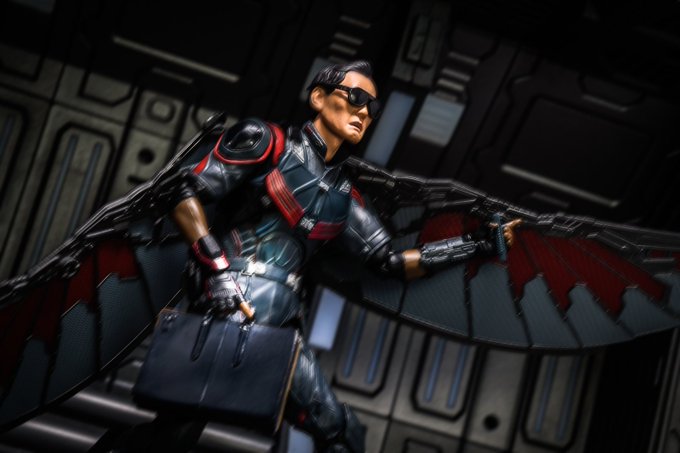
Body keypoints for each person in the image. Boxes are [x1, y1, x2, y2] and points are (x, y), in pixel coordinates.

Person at [159, 60, 514, 452]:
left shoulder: (344, 196)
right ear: (318, 97)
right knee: (175, 432)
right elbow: (184, 192)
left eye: (373, 108)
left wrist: (476, 243)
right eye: (356, 97)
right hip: (229, 304)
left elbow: (390, 262)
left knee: (343, 434)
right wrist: (217, 271)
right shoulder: (265, 141)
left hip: (282, 326)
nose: (364, 112)